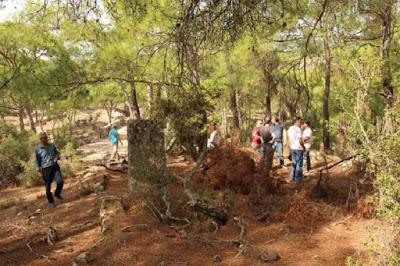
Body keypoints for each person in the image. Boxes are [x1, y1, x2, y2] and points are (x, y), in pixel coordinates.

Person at [35, 132, 63, 208]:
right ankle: (51, 202)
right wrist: (39, 171)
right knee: (48, 187)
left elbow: (57, 153)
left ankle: (57, 194)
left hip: (55, 166)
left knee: (60, 181)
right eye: (43, 138)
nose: (45, 139)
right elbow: (37, 161)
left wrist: (56, 157)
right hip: (45, 169)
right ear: (40, 139)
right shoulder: (37, 149)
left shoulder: (51, 145)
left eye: (46, 138)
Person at [287, 117, 304, 182]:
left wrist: (289, 147)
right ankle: (298, 179)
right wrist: (303, 147)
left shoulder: (290, 128)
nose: (300, 123)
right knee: (299, 164)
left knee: (294, 163)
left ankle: (291, 177)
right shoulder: (298, 129)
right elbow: (300, 140)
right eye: (300, 122)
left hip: (293, 147)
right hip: (298, 148)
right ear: (296, 122)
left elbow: (289, 138)